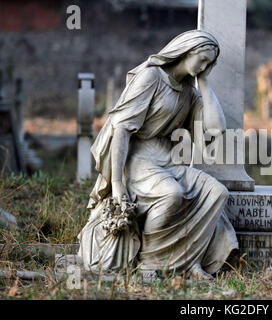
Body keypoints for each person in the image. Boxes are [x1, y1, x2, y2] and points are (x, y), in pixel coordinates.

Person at [77, 30, 238, 280]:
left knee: (216, 192)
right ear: (186, 51)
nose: (205, 66)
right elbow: (121, 128)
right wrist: (118, 184)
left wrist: (204, 82)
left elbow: (217, 129)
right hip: (137, 159)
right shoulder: (151, 77)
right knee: (171, 194)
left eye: (210, 63)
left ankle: (186, 262)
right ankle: (152, 262)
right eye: (202, 59)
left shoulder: (189, 92)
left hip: (167, 160)